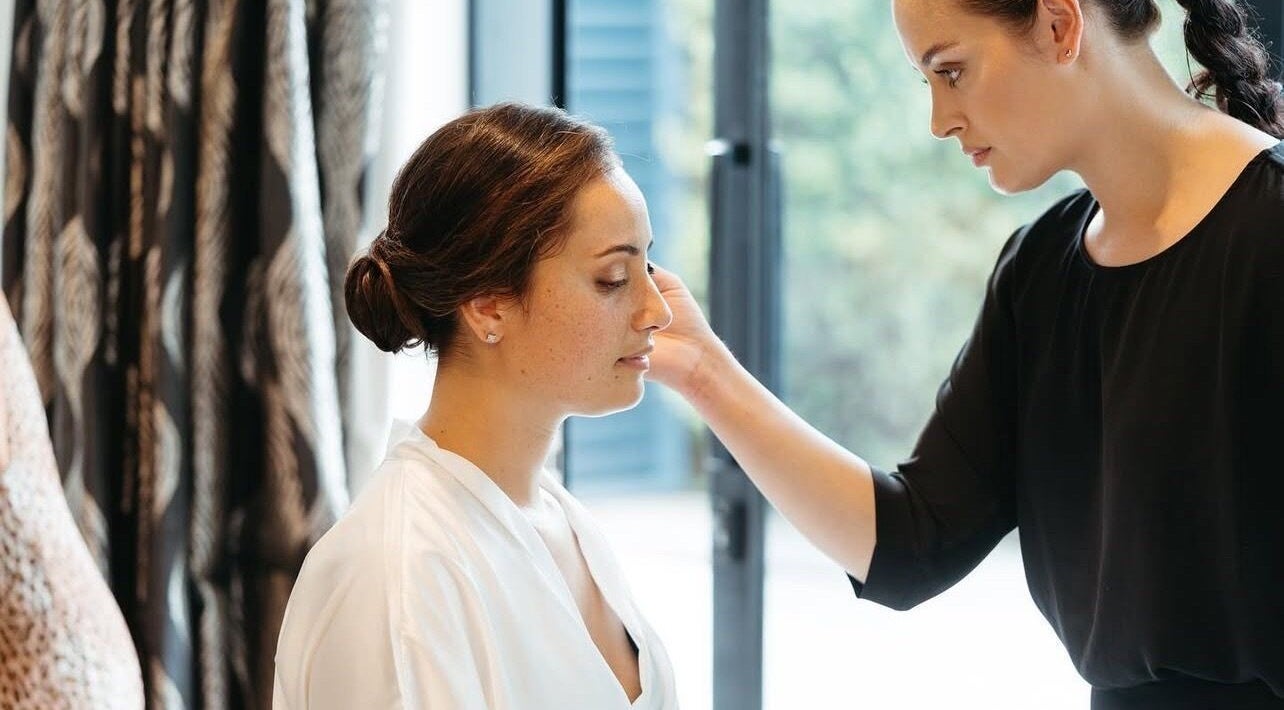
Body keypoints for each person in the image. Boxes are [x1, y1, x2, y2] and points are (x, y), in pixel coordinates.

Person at [645, 0, 1284, 707]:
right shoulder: (1039, 270)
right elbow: (908, 543)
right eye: (929, 83)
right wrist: (703, 371)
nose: (939, 120)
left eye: (952, 71)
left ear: (1059, 25)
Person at [272, 103, 678, 709]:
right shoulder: (399, 576)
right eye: (614, 279)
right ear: (488, 306)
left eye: (646, 265)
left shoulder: (563, 522)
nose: (659, 311)